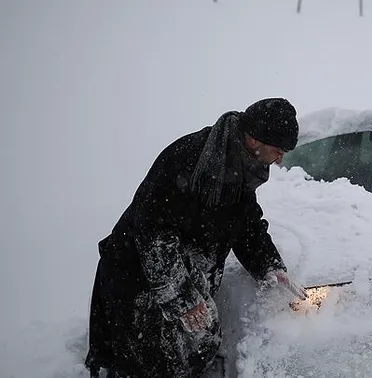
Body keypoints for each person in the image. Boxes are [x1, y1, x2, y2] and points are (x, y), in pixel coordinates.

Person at [85, 98, 308, 378]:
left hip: (181, 276)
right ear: (254, 140)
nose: (280, 159)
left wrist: (269, 265)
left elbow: (246, 224)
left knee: (194, 352)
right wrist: (184, 299)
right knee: (150, 367)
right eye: (278, 150)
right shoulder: (190, 160)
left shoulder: (241, 168)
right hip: (140, 281)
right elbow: (155, 235)